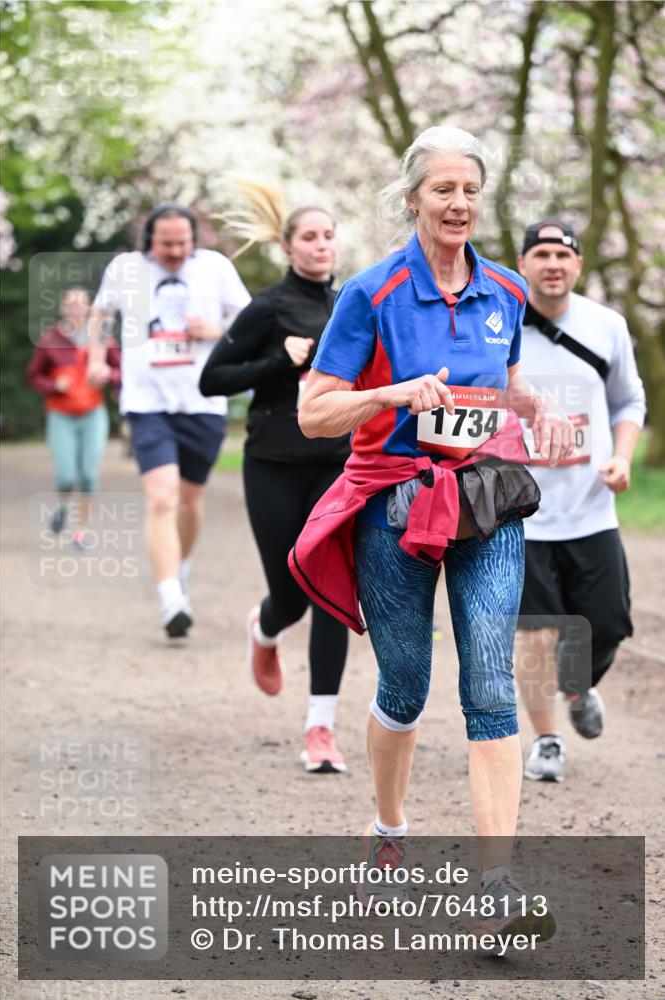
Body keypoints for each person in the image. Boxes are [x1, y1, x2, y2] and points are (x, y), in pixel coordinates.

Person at [294, 125, 572, 929]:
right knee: (405, 684)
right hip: (394, 504)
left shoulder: (508, 292)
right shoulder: (370, 294)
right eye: (442, 189)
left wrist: (540, 405)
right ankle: (387, 829)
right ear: (412, 198)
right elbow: (315, 410)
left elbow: (506, 383)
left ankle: (496, 890)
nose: (457, 204)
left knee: (488, 685)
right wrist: (391, 394)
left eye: (469, 190)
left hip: (485, 501)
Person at [199, 181, 350, 773]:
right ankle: (265, 627)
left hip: (339, 465)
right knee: (291, 596)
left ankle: (321, 728)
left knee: (335, 596)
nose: (320, 246)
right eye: (309, 237)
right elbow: (214, 380)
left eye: (328, 236)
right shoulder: (267, 307)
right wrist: (278, 362)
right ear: (289, 247)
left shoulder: (351, 307)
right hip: (274, 465)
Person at [513, 219, 646, 782]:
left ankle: (578, 685)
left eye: (562, 254)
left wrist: (621, 458)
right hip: (521, 510)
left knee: (608, 624)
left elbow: (629, 401)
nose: (551, 264)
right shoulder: (500, 329)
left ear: (578, 266)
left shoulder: (606, 325)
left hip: (592, 507)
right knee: (534, 630)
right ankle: (546, 740)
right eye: (540, 253)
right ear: (522, 265)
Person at [88, 204, 250, 637]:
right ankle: (170, 598)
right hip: (146, 403)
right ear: (149, 241)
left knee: (190, 501)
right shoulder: (125, 268)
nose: (177, 251)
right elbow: (100, 315)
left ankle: (180, 568)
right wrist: (94, 360)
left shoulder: (214, 267)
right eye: (167, 244)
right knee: (161, 497)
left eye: (183, 242)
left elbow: (249, 318)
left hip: (202, 402)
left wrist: (214, 330)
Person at [27, 285, 120, 546]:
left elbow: (121, 370)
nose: (76, 309)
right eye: (71, 304)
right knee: (67, 476)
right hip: (61, 415)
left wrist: (108, 376)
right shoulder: (49, 339)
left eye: (82, 304)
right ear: (63, 308)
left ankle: (80, 532)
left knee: (89, 475)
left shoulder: (100, 339)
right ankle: (64, 506)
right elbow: (34, 376)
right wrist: (52, 386)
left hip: (93, 414)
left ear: (90, 309)